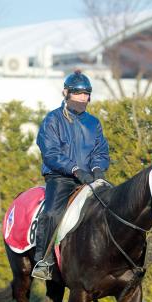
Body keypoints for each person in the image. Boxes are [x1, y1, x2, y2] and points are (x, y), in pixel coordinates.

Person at [32, 70, 110, 280]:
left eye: (86, 93)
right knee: (52, 214)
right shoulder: (52, 120)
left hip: (90, 177)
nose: (82, 97)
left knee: (114, 204)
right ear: (66, 92)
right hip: (61, 177)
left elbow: (100, 151)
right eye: (77, 93)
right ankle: (43, 260)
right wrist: (75, 169)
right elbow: (50, 153)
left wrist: (97, 169)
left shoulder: (94, 123)